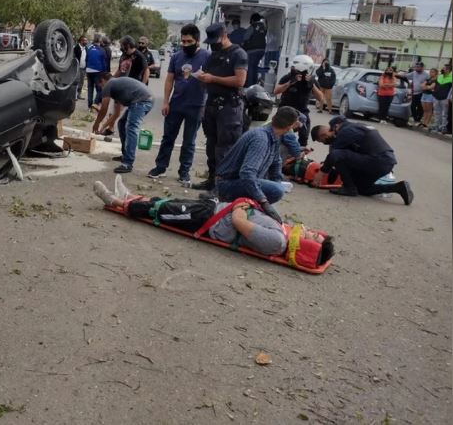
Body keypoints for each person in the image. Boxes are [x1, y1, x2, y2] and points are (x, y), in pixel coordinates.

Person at [93, 176, 331, 257]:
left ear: (308, 247)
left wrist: (244, 205)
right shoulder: (285, 233)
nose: (311, 231)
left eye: (314, 237)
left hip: (212, 222)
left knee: (163, 212)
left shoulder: (277, 243)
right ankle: (130, 196)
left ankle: (118, 203)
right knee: (170, 203)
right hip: (216, 210)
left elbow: (239, 222)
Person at [201, 106, 301, 224]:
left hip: (236, 181)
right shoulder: (261, 139)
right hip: (227, 184)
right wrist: (263, 201)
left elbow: (276, 163)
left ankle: (251, 209)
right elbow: (247, 173)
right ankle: (230, 203)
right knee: (277, 190)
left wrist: (276, 182)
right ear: (290, 127)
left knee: (276, 186)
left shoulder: (273, 136)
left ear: (273, 117)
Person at [148, 24, 210, 187]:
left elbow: (212, 79)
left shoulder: (207, 56)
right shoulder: (176, 57)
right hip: (176, 104)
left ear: (197, 41)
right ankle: (160, 167)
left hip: (196, 106)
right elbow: (169, 79)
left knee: (189, 141)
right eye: (183, 41)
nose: (185, 44)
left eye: (189, 41)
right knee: (168, 137)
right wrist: (166, 102)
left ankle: (184, 173)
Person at [190, 22, 249, 191]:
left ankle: (222, 187)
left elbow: (240, 81)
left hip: (230, 106)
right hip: (212, 104)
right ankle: (212, 180)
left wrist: (212, 79)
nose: (213, 44)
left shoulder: (238, 54)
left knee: (226, 148)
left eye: (216, 40)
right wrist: (202, 79)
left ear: (224, 36)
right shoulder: (212, 55)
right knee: (211, 145)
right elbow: (206, 76)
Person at [310, 120, 413, 204]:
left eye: (321, 141)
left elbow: (335, 155)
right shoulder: (355, 126)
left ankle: (349, 187)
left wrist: (321, 172)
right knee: (362, 189)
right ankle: (399, 187)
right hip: (385, 163)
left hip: (377, 161)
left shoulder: (345, 132)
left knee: (338, 157)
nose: (324, 143)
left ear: (323, 135)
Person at [91, 73, 155, 174]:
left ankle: (127, 163)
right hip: (143, 100)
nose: (102, 88)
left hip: (142, 101)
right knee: (122, 123)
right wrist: (103, 127)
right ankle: (125, 155)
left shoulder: (109, 84)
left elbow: (104, 108)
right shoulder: (118, 88)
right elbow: (116, 114)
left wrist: (96, 123)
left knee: (131, 128)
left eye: (101, 85)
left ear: (103, 80)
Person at [273, 54, 324, 147]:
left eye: (303, 72)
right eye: (298, 72)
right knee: (279, 135)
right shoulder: (288, 77)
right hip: (285, 110)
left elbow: (321, 98)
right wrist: (290, 83)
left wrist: (312, 85)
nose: (301, 74)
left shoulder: (311, 80)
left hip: (302, 111)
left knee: (304, 135)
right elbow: (276, 91)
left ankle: (300, 154)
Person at [242, 13, 268, 87]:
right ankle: (254, 84)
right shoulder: (263, 26)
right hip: (262, 50)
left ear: (252, 20)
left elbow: (245, 37)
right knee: (255, 67)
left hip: (252, 51)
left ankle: (249, 86)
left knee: (250, 67)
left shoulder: (252, 26)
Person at [83, 36, 107, 110]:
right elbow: (104, 62)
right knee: (99, 88)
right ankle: (95, 103)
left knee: (90, 88)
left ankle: (89, 105)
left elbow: (86, 59)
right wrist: (104, 72)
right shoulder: (101, 50)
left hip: (89, 70)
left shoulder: (89, 49)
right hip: (97, 71)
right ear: (100, 41)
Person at [431, 63, 452, 134]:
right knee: (437, 113)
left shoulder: (452, 77)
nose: (442, 69)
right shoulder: (439, 76)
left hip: (445, 98)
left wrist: (449, 98)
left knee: (444, 114)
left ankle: (443, 127)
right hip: (436, 97)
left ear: (448, 70)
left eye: (444, 68)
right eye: (443, 68)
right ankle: (436, 125)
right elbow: (435, 85)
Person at [74, 35, 88, 100]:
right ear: (81, 41)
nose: (86, 42)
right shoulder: (76, 48)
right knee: (76, 81)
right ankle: (74, 96)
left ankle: (79, 94)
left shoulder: (86, 48)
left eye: (86, 40)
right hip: (77, 67)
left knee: (81, 82)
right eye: (85, 40)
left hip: (83, 68)